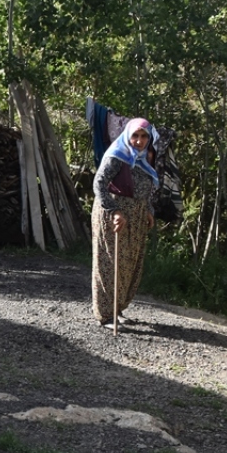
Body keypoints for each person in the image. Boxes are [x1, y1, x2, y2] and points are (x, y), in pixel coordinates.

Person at [91, 117, 158, 326]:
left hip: (136, 217)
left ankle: (117, 309)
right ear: (127, 136)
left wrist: (148, 210)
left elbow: (145, 190)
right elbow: (99, 184)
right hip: (113, 214)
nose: (139, 141)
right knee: (110, 264)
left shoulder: (145, 158)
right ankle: (105, 315)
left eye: (144, 136)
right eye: (135, 136)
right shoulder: (117, 155)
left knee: (129, 265)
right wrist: (114, 211)